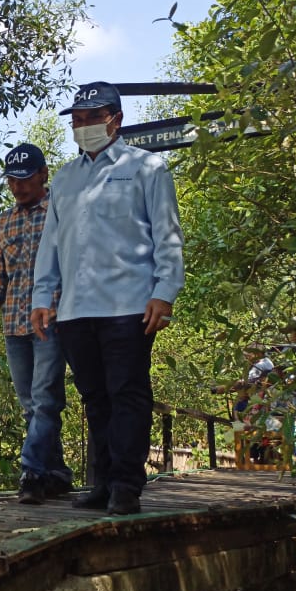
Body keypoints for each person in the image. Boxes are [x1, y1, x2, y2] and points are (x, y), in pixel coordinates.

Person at [31, 82, 185, 515]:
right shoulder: (64, 179)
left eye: (89, 119)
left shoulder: (148, 168)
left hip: (130, 305)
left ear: (113, 120)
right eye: (76, 121)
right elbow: (51, 245)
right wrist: (43, 296)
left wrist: (165, 292)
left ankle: (126, 486)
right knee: (94, 397)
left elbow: (167, 235)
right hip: (77, 310)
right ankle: (102, 482)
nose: (81, 127)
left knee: (128, 394)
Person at [0, 143, 73, 505]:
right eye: (11, 181)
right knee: (31, 405)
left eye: (24, 179)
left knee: (45, 399)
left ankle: (31, 471)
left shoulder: (60, 211)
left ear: (42, 175)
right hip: (13, 324)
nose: (18, 187)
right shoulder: (4, 221)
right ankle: (57, 474)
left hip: (51, 319)